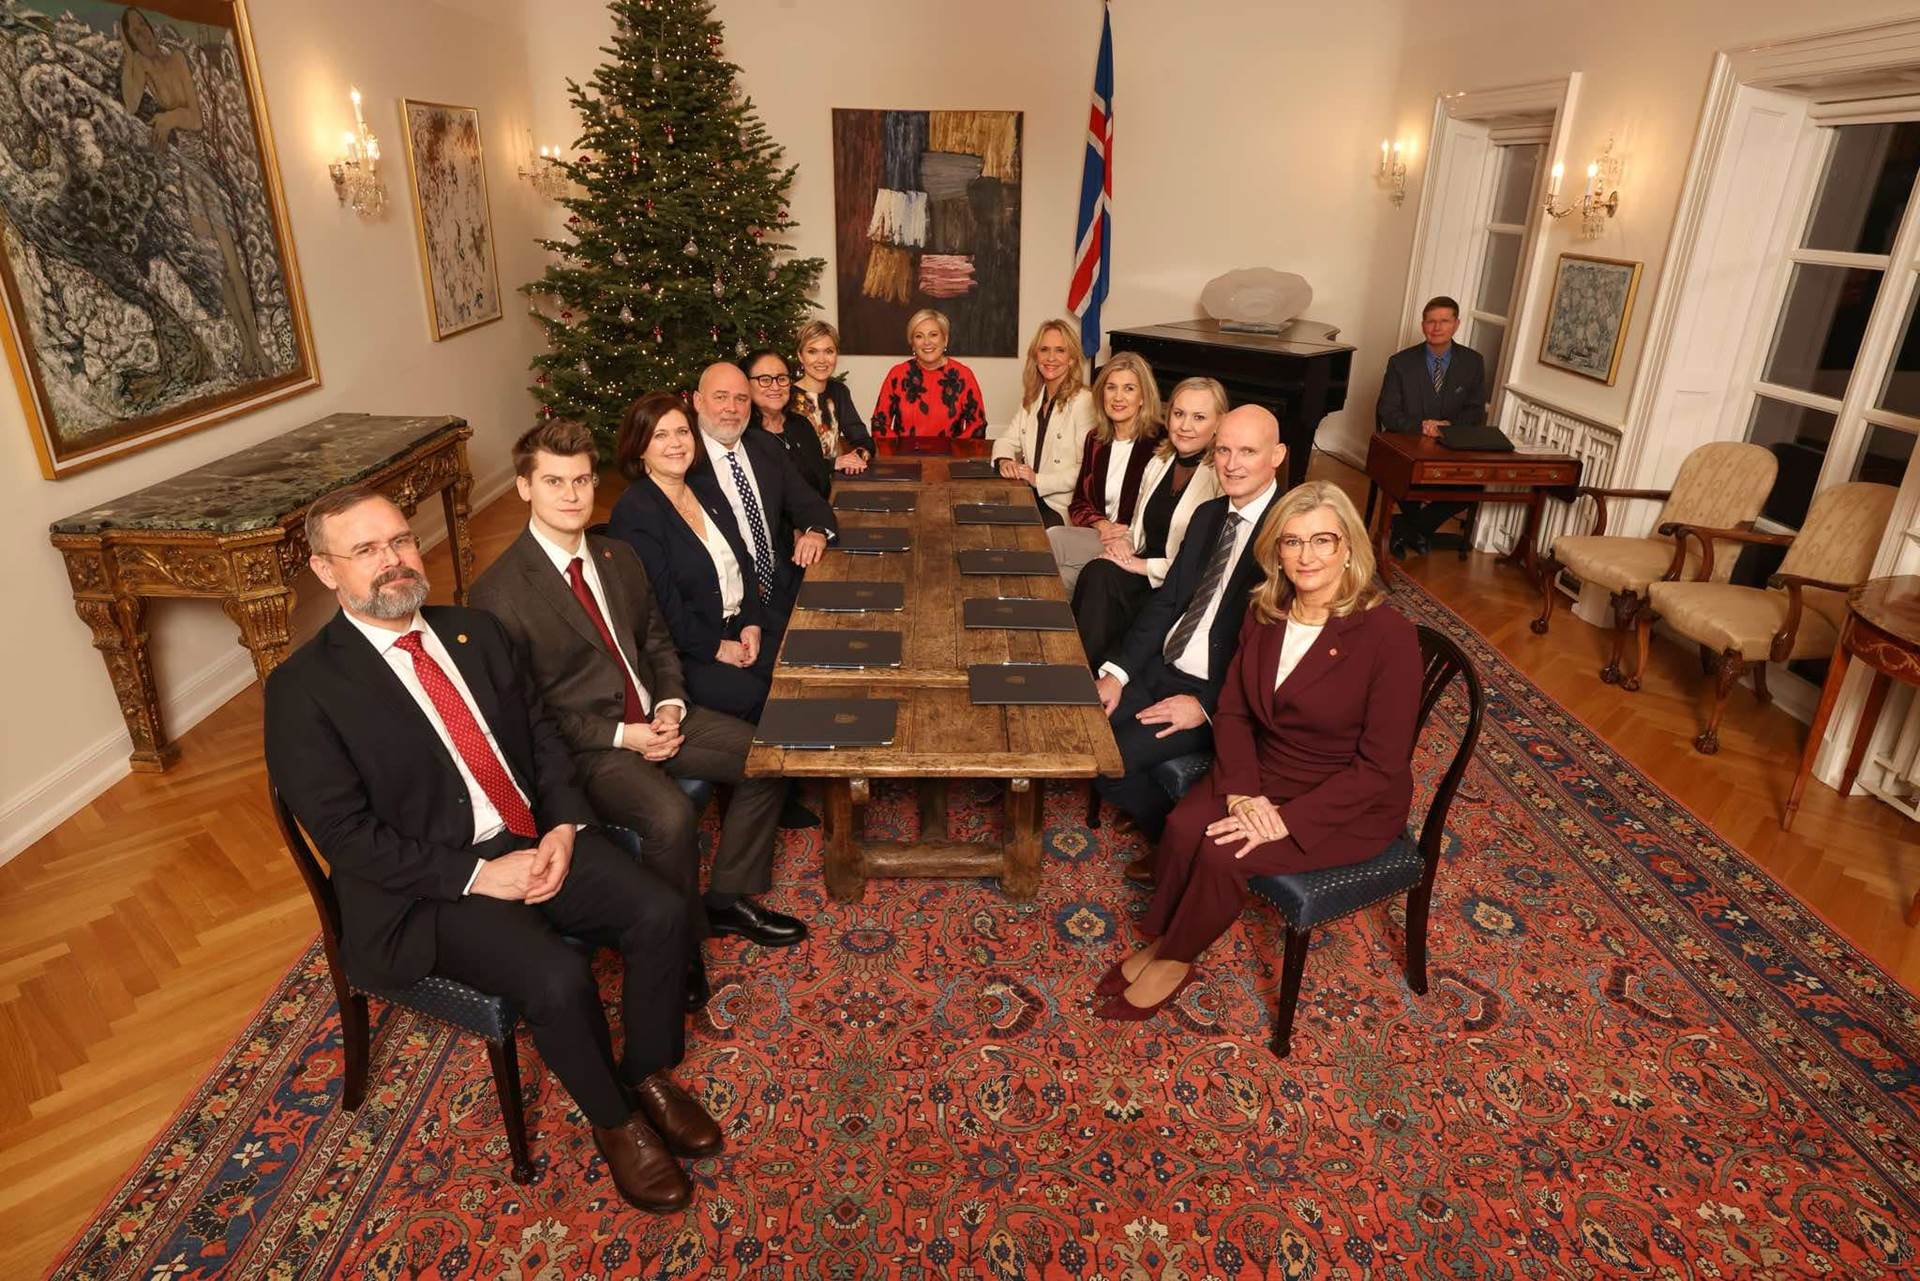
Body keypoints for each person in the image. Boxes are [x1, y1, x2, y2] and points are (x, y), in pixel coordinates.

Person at [264, 487, 715, 1215]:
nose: (393, 561)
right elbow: (347, 837)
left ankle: (646, 1074)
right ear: (325, 569)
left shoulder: (475, 631)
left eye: (401, 541)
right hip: (430, 885)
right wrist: (479, 873)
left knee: (660, 911)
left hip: (533, 835)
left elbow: (541, 740)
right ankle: (617, 1122)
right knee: (559, 975)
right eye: (367, 550)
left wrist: (565, 825)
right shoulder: (303, 690)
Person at [471, 420, 801, 970]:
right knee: (670, 816)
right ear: (524, 487)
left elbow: (656, 640)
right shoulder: (497, 595)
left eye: (581, 481)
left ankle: (724, 897)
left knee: (768, 757)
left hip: (660, 713)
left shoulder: (616, 556)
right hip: (592, 746)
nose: (572, 495)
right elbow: (526, 717)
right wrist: (627, 735)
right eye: (554, 482)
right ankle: (682, 947)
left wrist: (670, 702)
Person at [1093, 481, 1422, 1019]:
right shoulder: (1266, 611)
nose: (1305, 556)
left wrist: (1288, 820)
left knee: (1224, 853)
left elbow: (1381, 767)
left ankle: (1177, 957)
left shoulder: (1388, 636)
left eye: (1322, 540)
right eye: (1292, 542)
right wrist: (1243, 789)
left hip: (1346, 798)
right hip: (1265, 769)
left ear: (1348, 548)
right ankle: (1165, 936)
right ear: (1276, 550)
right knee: (1181, 827)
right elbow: (1236, 711)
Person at [1092, 405, 1287, 855]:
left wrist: (1206, 705)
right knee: (1080, 732)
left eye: (1247, 451)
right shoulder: (1208, 516)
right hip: (1164, 664)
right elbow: (1168, 603)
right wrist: (1117, 673)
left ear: (1276, 455)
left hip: (1219, 692)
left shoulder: (1289, 535)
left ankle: (1180, 845)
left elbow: (1277, 658)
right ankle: (1161, 815)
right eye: (1223, 450)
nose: (1232, 464)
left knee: (1108, 762)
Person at [608, 393, 780, 723]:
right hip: (688, 653)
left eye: (682, 432)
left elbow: (744, 562)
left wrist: (753, 623)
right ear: (640, 447)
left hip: (740, 630)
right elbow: (660, 606)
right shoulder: (635, 513)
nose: (675, 443)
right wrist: (718, 648)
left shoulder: (705, 488)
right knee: (762, 697)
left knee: (800, 665)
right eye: (660, 435)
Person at [1072, 377, 1226, 669]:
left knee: (1102, 580)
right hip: (1144, 570)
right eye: (1179, 414)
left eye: (1199, 417)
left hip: (1176, 586)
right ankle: (1080, 668)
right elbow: (1140, 528)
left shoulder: (1220, 476)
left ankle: (1087, 673)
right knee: (1098, 571)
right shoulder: (1159, 462)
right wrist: (1123, 545)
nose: (1185, 426)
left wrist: (1143, 566)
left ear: (1219, 423)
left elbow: (1210, 562)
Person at [686, 361, 838, 620]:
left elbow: (810, 503)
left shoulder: (765, 447)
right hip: (725, 612)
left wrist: (817, 532)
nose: (731, 408)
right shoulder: (687, 463)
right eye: (721, 397)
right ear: (698, 401)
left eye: (741, 399)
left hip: (782, 591)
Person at [1375, 295, 1489, 556]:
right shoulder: (1400, 363)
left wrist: (1446, 426)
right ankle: (1417, 531)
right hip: (1408, 443)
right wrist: (1422, 427)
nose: (1437, 328)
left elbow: (1475, 412)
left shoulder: (1473, 362)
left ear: (1456, 324)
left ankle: (1404, 528)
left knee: (1474, 484)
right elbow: (1388, 412)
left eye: (1444, 321)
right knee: (1400, 474)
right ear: (1423, 324)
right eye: (1431, 321)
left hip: (1452, 444)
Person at [1048, 351, 1164, 592]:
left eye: (1129, 389)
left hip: (1136, 545)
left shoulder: (1161, 443)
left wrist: (1127, 533)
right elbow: (1078, 502)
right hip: (1101, 536)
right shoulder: (1097, 439)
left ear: (1143, 396)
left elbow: (1162, 515)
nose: (1118, 397)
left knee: (1054, 549)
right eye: (1111, 388)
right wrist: (1102, 525)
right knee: (1056, 559)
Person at [992, 319, 1097, 526]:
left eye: (1060, 350)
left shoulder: (1084, 401)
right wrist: (1005, 461)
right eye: (1044, 350)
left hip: (1059, 507)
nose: (1051, 358)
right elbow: (1006, 440)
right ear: (1035, 356)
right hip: (1029, 497)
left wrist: (1037, 480)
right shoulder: (1033, 397)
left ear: (1072, 359)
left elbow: (1086, 470)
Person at [870, 308, 988, 437]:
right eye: (919, 336)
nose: (927, 342)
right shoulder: (897, 374)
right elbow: (879, 423)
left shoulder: (964, 375)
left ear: (945, 339)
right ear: (913, 344)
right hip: (903, 455)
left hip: (951, 456)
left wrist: (956, 452)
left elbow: (977, 425)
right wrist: (897, 452)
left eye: (933, 334)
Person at [742, 349, 831, 500]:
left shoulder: (801, 424)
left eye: (782, 378)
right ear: (746, 384)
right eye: (764, 379)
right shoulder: (744, 437)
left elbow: (822, 483)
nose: (775, 387)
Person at [791, 320, 874, 475]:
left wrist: (858, 456)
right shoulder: (787, 397)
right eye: (812, 351)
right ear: (800, 356)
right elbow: (790, 457)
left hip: (834, 484)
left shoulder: (839, 392)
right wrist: (833, 463)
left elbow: (862, 439)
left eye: (829, 351)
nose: (822, 360)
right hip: (800, 487)